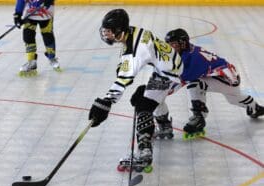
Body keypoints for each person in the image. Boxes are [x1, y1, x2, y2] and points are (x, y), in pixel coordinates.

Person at [88, 8, 184, 170]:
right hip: (169, 67)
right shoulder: (133, 32)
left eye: (110, 32)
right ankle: (165, 125)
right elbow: (127, 64)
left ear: (120, 30)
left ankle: (145, 151)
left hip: (170, 74)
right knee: (149, 96)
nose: (107, 35)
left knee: (143, 104)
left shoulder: (137, 49)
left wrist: (106, 102)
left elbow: (125, 78)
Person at [164, 28, 264, 139]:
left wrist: (161, 92)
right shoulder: (187, 52)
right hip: (224, 75)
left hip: (226, 77)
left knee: (195, 83)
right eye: (169, 45)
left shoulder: (193, 57)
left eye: (174, 44)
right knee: (233, 99)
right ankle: (255, 108)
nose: (171, 48)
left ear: (183, 44)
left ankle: (199, 117)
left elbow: (182, 79)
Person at [13, 0, 61, 76]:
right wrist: (17, 14)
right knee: (28, 36)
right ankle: (31, 61)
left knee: (47, 35)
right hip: (30, 14)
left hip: (46, 14)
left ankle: (51, 57)